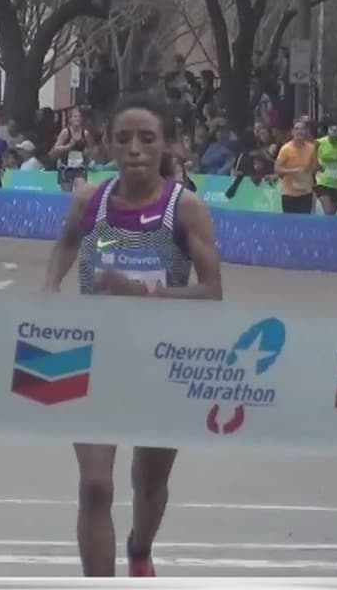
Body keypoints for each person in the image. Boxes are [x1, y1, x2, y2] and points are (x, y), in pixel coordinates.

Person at [42, 94, 221, 578]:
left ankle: (140, 549)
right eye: (123, 139)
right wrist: (50, 289)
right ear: (108, 145)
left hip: (162, 363)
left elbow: (212, 293)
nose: (135, 149)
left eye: (147, 139)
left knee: (149, 480)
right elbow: (68, 243)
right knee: (95, 486)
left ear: (169, 146)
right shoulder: (90, 201)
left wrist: (144, 293)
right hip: (93, 359)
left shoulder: (186, 210)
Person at [275, 119, 317, 214]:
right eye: (297, 129)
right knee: (289, 221)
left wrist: (311, 171)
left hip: (306, 193)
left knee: (304, 220)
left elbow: (314, 167)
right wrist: (294, 171)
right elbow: (277, 169)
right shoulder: (286, 149)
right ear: (292, 132)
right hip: (289, 194)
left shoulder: (311, 148)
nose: (300, 131)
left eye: (302, 129)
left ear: (306, 131)